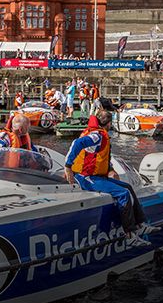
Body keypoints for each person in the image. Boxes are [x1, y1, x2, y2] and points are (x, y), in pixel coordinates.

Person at [64, 105, 157, 246]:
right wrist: (68, 166)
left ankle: (139, 225)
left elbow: (99, 158)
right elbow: (77, 144)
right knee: (123, 194)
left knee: (127, 187)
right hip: (86, 177)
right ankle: (130, 235)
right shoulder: (96, 135)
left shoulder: (98, 133)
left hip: (97, 175)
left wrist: (110, 169)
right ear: (108, 123)